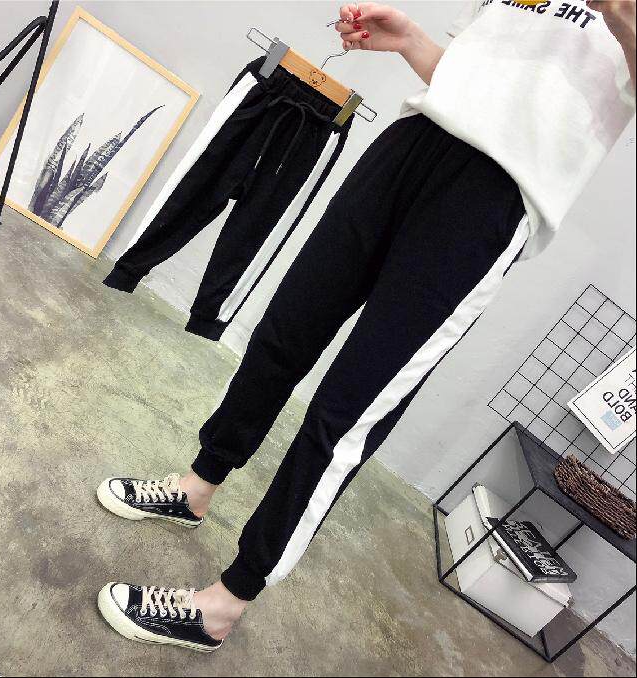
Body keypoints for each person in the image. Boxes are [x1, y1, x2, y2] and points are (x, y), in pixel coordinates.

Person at [95, 1, 635, 651]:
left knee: (346, 411)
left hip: (489, 201)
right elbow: (475, 85)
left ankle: (227, 601)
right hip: (409, 145)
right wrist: (411, 42)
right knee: (282, 335)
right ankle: (198, 485)